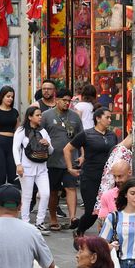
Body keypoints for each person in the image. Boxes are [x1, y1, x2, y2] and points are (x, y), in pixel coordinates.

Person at [66, 105, 117, 233]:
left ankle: (106, 235)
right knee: (92, 211)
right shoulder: (87, 134)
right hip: (90, 177)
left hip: (108, 178)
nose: (110, 120)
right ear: (98, 119)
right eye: (107, 117)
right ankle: (79, 230)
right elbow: (67, 149)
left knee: (109, 209)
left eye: (111, 117)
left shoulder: (112, 135)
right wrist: (70, 168)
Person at [42, 88, 83, 231]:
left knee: (71, 188)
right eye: (64, 100)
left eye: (69, 101)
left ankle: (73, 218)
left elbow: (81, 137)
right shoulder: (46, 116)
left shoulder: (75, 117)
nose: (67, 103)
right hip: (52, 160)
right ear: (56, 100)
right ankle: (53, 217)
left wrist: (82, 155)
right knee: (53, 191)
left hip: (71, 160)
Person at [14, 106, 53, 234]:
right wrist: (18, 164)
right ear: (30, 117)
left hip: (42, 168)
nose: (40, 117)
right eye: (37, 115)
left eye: (40, 115)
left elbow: (51, 151)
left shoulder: (43, 131)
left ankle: (39, 222)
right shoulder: (21, 130)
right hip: (26, 168)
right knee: (27, 196)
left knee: (45, 193)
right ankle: (25, 222)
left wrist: (48, 144)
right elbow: (15, 148)